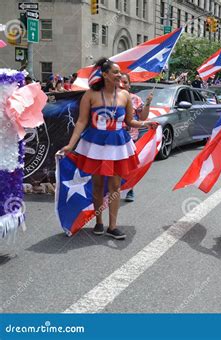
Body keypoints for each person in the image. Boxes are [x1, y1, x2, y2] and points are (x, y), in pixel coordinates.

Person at [59, 58, 157, 239]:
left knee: (114, 186)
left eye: (119, 72)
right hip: (95, 143)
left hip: (118, 144)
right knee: (97, 185)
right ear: (104, 75)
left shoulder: (125, 95)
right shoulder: (90, 95)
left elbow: (129, 121)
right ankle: (99, 222)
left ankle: (113, 226)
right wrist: (71, 145)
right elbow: (81, 121)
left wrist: (146, 123)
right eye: (115, 72)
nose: (119, 75)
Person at [120, 73, 154, 202]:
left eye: (126, 82)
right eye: (120, 81)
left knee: (129, 165)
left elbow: (143, 117)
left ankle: (129, 189)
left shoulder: (135, 99)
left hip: (130, 137)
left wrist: (148, 103)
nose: (123, 84)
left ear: (129, 84)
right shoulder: (110, 98)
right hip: (113, 138)